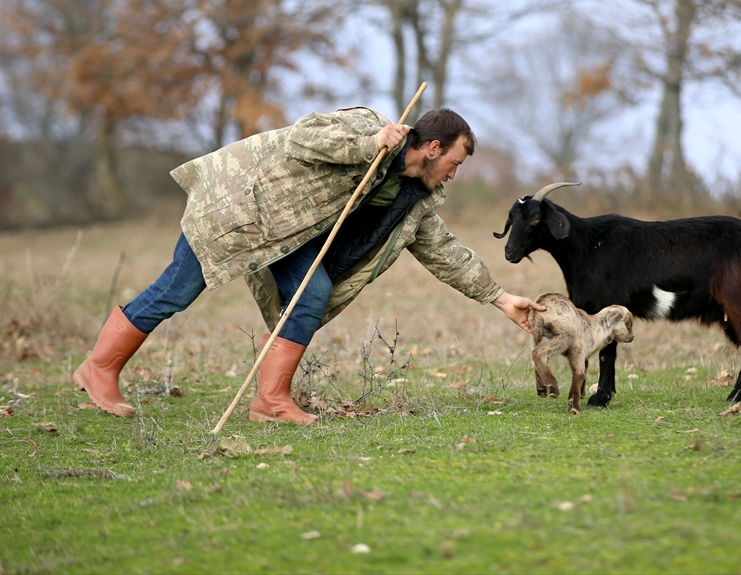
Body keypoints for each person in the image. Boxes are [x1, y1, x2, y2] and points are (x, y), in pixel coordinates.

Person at [72, 106, 545, 424]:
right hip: (240, 208)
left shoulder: (413, 199)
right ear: (435, 148)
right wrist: (370, 143)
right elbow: (303, 138)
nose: (454, 175)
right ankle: (99, 369)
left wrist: (500, 298)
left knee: (312, 293)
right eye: (455, 162)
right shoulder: (368, 126)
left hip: (291, 236)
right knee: (177, 290)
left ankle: (271, 402)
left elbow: (444, 251)